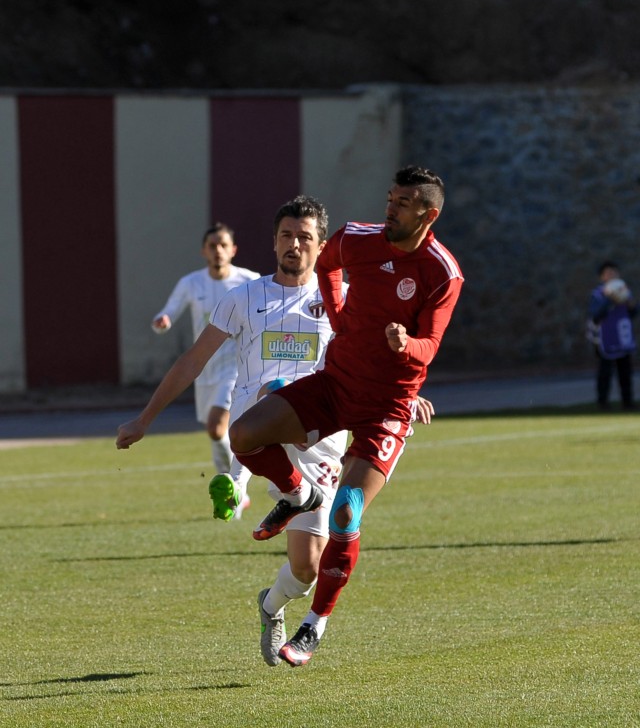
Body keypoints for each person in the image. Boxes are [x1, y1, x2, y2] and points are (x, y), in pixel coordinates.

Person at [229, 165, 464, 666]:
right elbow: (329, 267)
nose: (390, 208)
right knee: (243, 435)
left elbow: (430, 348)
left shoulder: (442, 271)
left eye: (402, 202)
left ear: (429, 213)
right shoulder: (357, 237)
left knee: (346, 512)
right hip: (336, 386)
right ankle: (298, 492)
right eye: (390, 198)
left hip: (387, 408)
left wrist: (407, 345)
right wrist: (338, 316)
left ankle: (314, 625)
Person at [117, 196, 351, 667]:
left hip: (317, 439)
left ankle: (271, 604)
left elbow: (375, 358)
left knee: (307, 567)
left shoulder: (339, 299)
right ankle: (265, 485)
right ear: (273, 241)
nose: (294, 244)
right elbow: (192, 361)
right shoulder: (243, 298)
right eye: (286, 235)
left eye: (305, 237)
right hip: (258, 431)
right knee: (270, 394)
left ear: (322, 246)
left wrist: (405, 397)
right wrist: (145, 419)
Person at [151, 223, 259, 476]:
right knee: (215, 433)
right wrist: (162, 322)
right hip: (204, 370)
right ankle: (231, 487)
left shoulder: (250, 281)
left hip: (236, 368)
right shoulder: (191, 283)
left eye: (223, 245)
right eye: (212, 246)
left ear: (233, 250)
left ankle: (234, 485)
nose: (218, 251)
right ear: (203, 251)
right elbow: (169, 311)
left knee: (216, 427)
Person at [587, 261, 637, 410]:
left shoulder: (625, 291)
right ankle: (603, 403)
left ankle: (627, 402)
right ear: (602, 277)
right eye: (608, 273)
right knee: (605, 372)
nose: (612, 275)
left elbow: (633, 313)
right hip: (604, 339)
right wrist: (609, 299)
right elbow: (595, 314)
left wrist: (631, 304)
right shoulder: (597, 294)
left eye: (614, 272)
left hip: (622, 337)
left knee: (625, 372)